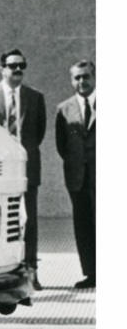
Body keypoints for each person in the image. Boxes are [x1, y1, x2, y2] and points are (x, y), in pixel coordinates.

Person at [0, 49, 46, 289]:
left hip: (26, 168)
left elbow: (38, 133)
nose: (18, 70)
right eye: (13, 66)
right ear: (2, 69)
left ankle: (31, 271)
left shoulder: (35, 98)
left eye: (22, 65)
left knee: (28, 221)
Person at [56, 60, 96, 289]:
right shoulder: (65, 109)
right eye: (77, 77)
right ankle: (91, 274)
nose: (81, 81)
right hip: (78, 179)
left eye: (86, 76)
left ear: (94, 77)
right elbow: (64, 145)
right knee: (83, 227)